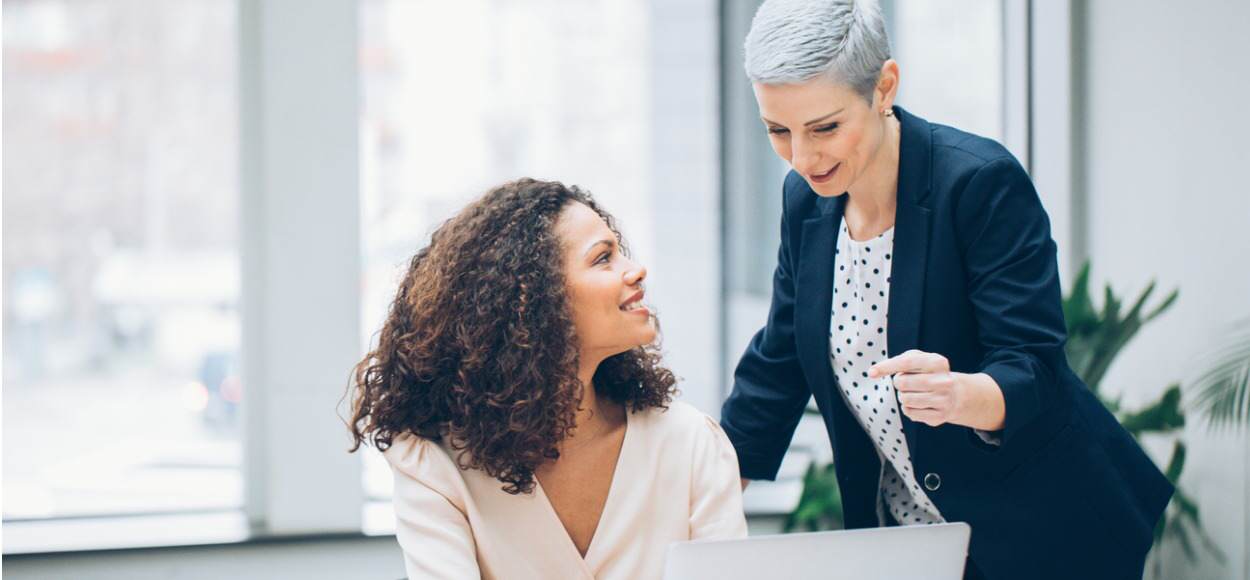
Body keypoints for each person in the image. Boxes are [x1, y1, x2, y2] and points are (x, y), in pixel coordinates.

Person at [718, 1, 1172, 578]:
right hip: (913, 540)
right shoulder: (805, 202)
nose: (803, 158)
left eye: (825, 127)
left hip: (1043, 531)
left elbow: (1033, 362)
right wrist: (705, 488)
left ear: (884, 88)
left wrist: (964, 396)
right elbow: (779, 358)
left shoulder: (978, 183)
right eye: (778, 131)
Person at [349, 178, 747, 580]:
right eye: (603, 258)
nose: (636, 270)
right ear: (535, 300)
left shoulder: (692, 443)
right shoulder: (435, 461)